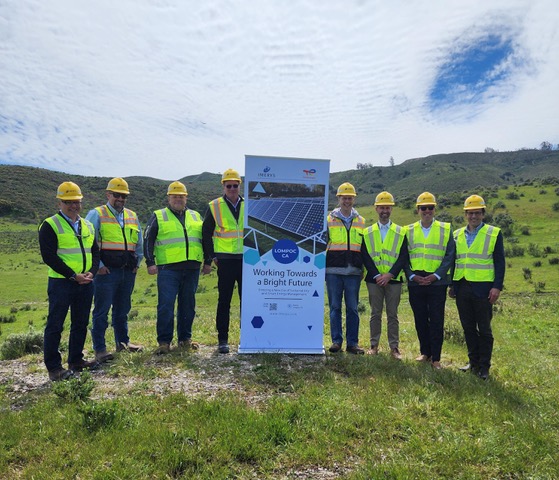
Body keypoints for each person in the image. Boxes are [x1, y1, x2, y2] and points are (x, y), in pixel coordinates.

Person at [38, 181, 100, 381]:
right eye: (68, 202)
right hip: (61, 283)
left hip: (86, 282)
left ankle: (76, 360)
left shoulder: (88, 225)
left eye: (77, 202)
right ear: (59, 203)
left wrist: (91, 272)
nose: (73, 206)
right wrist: (73, 275)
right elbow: (49, 257)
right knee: (55, 325)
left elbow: (95, 251)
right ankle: (54, 368)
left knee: (80, 322)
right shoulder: (50, 224)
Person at [86, 177, 144, 363]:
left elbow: (139, 242)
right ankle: (100, 349)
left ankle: (123, 343)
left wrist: (138, 263)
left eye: (124, 196)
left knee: (122, 309)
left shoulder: (132, 216)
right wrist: (99, 267)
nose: (120, 199)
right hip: (106, 273)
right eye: (117, 195)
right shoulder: (96, 214)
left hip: (128, 271)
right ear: (108, 194)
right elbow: (88, 243)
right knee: (101, 311)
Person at [143, 181, 204, 354]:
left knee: (188, 305)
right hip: (168, 269)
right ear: (169, 198)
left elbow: (204, 239)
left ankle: (185, 339)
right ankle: (164, 342)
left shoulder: (196, 216)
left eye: (181, 196)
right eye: (174, 196)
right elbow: (148, 239)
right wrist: (150, 262)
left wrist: (207, 260)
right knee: (166, 305)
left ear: (186, 198)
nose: (178, 199)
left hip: (191, 268)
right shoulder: (159, 215)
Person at [450, 195, 505, 380]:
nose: (473, 216)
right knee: (467, 328)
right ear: (465, 214)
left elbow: (500, 262)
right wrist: (452, 285)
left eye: (477, 213)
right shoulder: (457, 234)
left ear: (483, 213)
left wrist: (497, 287)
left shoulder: (494, 233)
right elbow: (454, 261)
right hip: (462, 287)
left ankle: (484, 367)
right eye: (470, 213)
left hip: (483, 289)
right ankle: (473, 363)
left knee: (484, 329)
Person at [404, 192, 455, 369]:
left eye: (430, 208)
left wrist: (436, 276)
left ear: (435, 209)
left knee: (436, 319)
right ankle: (425, 352)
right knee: (420, 318)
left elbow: (450, 256)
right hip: (415, 281)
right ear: (418, 210)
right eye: (423, 208)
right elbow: (403, 256)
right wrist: (412, 276)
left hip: (437, 282)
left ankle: (436, 358)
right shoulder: (408, 230)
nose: (427, 211)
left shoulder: (446, 229)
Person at [202, 169, 244, 354]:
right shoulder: (214, 206)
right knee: (224, 300)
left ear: (239, 186)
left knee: (247, 301)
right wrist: (212, 257)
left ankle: (248, 337)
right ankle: (223, 340)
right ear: (223, 186)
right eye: (229, 185)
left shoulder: (249, 204)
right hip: (225, 261)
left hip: (246, 260)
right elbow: (206, 233)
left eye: (235, 185)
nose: (232, 188)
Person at [361, 191, 408, 359]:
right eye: (381, 207)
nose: (384, 211)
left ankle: (394, 348)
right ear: (376, 209)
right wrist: (376, 275)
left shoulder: (401, 232)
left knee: (392, 315)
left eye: (387, 207)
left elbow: (403, 257)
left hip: (393, 280)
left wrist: (390, 274)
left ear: (391, 209)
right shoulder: (367, 232)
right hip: (374, 280)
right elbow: (365, 256)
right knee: (375, 313)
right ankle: (373, 345)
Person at [325, 182, 366, 354]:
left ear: (354, 199)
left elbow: (364, 247)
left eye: (350, 198)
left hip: (354, 272)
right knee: (335, 307)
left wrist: (363, 268)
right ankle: (336, 342)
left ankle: (352, 344)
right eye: (344, 198)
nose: (347, 201)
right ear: (339, 198)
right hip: (333, 271)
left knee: (353, 308)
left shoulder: (361, 221)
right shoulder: (329, 219)